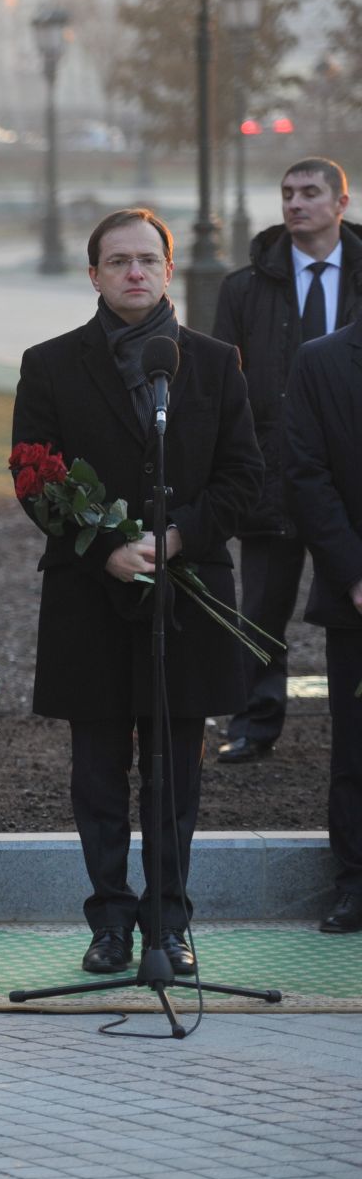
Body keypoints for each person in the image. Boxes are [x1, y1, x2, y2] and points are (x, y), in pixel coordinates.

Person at [11, 208, 262, 976]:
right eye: (116, 261)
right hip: (91, 595)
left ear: (169, 269)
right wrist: (105, 550)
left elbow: (243, 480)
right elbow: (31, 475)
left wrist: (177, 537)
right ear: (93, 275)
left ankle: (168, 925)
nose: (133, 273)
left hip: (186, 597)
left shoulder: (214, 363)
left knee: (175, 774)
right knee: (96, 774)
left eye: (146, 259)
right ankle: (110, 922)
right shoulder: (50, 363)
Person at [211, 158, 360, 764]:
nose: (296, 203)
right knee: (263, 605)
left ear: (340, 203)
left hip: (348, 477)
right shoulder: (245, 287)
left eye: (310, 192)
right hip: (270, 472)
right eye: (287, 193)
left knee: (354, 596)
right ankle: (254, 721)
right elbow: (224, 385)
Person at [284, 318, 362, 934]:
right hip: (356, 595)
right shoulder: (322, 361)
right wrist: (355, 574)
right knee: (356, 749)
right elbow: (307, 473)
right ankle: (356, 881)